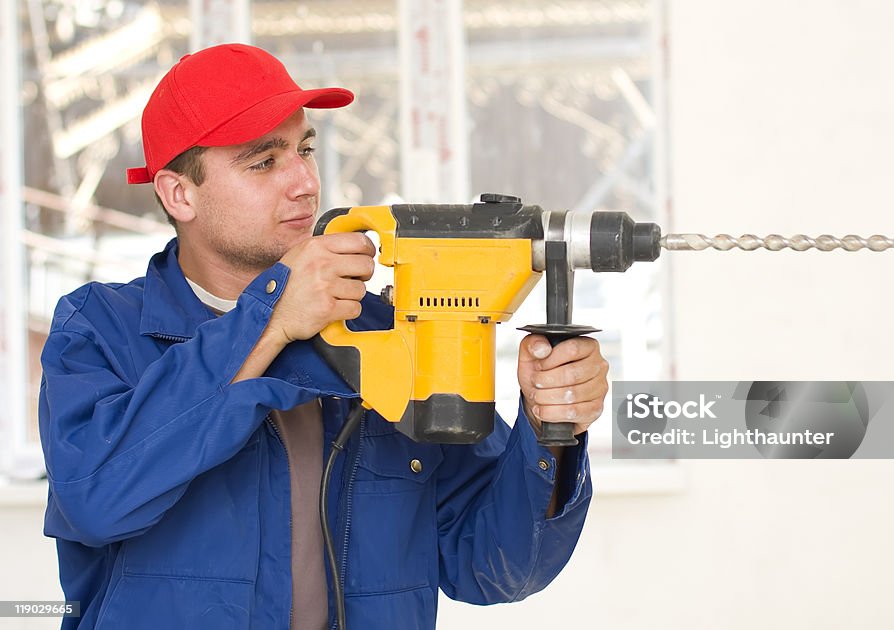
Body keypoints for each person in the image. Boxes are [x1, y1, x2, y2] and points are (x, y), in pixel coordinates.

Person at [38, 43, 608, 630]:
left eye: (305, 150)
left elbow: (492, 566)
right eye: (264, 162)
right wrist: (273, 318)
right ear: (179, 194)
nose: (305, 183)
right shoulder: (100, 328)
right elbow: (96, 497)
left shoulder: (383, 333)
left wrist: (548, 431)